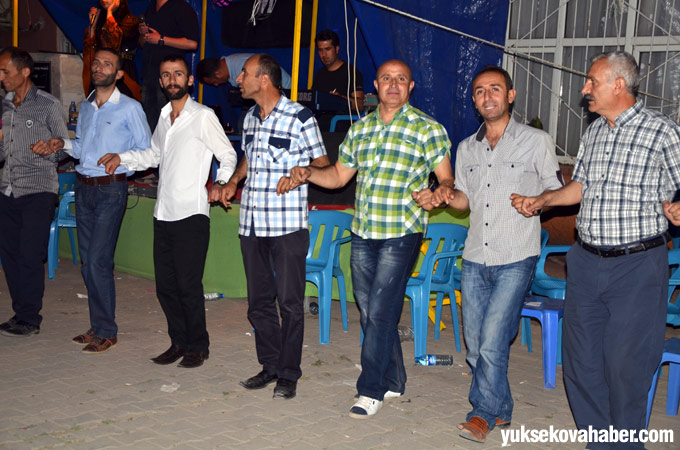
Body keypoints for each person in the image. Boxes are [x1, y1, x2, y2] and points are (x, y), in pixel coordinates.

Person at [511, 51, 680, 449]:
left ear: (619, 85)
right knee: (581, 360)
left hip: (637, 264)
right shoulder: (595, 132)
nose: (584, 88)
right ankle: (599, 441)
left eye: (592, 81)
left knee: (627, 364)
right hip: (585, 261)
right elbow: (581, 187)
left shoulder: (662, 132)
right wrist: (544, 199)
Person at [282, 60, 454, 418]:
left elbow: (446, 179)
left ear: (411, 87)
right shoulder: (360, 129)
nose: (393, 84)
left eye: (401, 79)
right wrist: (308, 172)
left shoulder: (428, 128)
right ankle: (394, 380)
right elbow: (337, 177)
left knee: (378, 311)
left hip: (402, 232)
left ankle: (370, 390)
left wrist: (440, 192)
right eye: (386, 78)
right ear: (375, 85)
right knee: (373, 311)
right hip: (362, 232)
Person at [418, 66, 563, 442]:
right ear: (474, 100)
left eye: (495, 89)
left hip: (516, 254)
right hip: (475, 255)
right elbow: (465, 201)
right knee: (475, 343)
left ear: (510, 95)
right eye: (480, 91)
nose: (487, 96)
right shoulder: (466, 147)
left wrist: (538, 201)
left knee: (493, 339)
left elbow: (555, 189)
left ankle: (481, 414)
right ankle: (503, 408)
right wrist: (445, 196)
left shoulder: (536, 140)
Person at [98, 54, 236, 368]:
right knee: (166, 288)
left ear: (190, 80)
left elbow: (228, 154)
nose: (172, 79)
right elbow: (153, 155)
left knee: (188, 286)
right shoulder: (163, 116)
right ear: (160, 82)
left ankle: (198, 346)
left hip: (191, 214)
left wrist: (221, 182)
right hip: (163, 214)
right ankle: (179, 342)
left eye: (178, 74)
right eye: (166, 75)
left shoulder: (202, 116)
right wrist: (122, 158)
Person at [211, 54, 328, 399]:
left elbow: (323, 164)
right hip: (251, 223)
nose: (238, 79)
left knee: (290, 304)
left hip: (287, 225)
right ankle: (271, 365)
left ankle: (289, 373)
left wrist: (301, 175)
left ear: (264, 79)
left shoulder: (300, 118)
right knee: (258, 303)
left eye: (244, 74)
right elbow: (249, 157)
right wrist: (234, 181)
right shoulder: (249, 117)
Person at [32, 48, 152, 353]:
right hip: (84, 188)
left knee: (98, 260)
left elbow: (149, 152)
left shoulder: (130, 108)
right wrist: (62, 143)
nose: (99, 67)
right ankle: (97, 326)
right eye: (96, 63)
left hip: (111, 189)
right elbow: (83, 148)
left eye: (106, 64)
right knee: (88, 263)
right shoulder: (86, 107)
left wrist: (122, 158)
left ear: (119, 74)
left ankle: (107, 331)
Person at [0, 47, 69, 337]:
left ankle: (30, 318)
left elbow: (64, 146)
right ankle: (20, 313)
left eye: (5, 71)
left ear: (25, 71)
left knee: (29, 254)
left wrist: (51, 148)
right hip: (8, 189)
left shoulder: (47, 105)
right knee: (10, 255)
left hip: (38, 189)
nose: (1, 77)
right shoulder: (4, 106)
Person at [139, 0, 199, 130]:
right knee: (150, 121)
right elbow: (143, 44)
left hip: (170, 75)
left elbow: (192, 43)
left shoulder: (182, 8)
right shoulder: (151, 8)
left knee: (169, 119)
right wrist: (143, 35)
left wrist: (161, 39)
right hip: (150, 74)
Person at [82, 0, 141, 100]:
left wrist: (110, 13)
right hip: (101, 72)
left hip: (122, 73)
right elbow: (89, 51)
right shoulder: (99, 19)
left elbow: (113, 43)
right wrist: (92, 27)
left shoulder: (130, 20)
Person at [312, 30, 364, 113]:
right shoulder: (320, 73)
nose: (324, 54)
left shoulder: (351, 72)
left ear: (337, 49)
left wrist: (340, 99)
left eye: (327, 49)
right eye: (320, 50)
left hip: (341, 120)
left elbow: (360, 105)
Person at [196, 54, 292, 89]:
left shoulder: (241, 65)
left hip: (285, 91)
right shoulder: (230, 65)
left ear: (217, 74)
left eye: (214, 82)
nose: (216, 85)